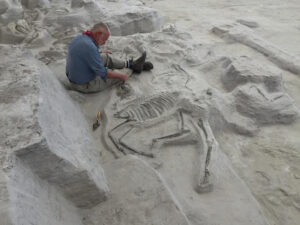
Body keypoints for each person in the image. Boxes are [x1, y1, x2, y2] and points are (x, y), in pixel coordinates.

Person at [66, 22, 153, 93]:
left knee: (105, 57)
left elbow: (85, 53)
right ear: (98, 34)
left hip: (76, 74)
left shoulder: (81, 37)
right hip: (83, 84)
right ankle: (132, 69)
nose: (104, 43)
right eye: (104, 39)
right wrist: (121, 76)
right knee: (114, 75)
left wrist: (98, 52)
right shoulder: (90, 48)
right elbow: (103, 73)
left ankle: (130, 64)